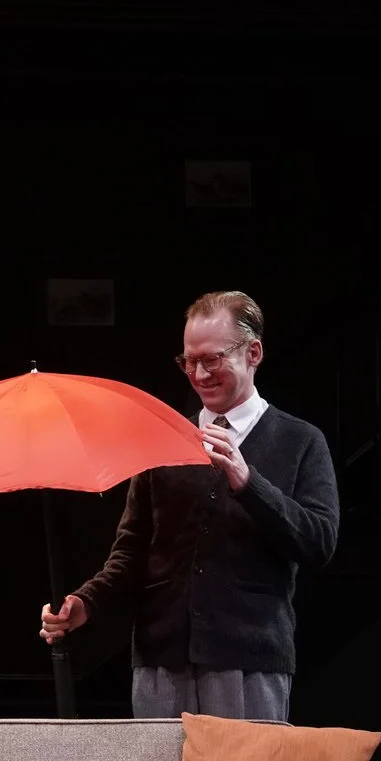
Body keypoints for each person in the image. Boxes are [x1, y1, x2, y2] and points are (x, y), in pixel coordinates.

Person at [38, 290, 339, 722]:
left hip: (247, 662)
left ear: (253, 353)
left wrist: (248, 481)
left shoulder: (300, 441)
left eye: (212, 360)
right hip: (162, 663)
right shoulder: (162, 442)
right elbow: (131, 554)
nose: (199, 374)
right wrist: (84, 603)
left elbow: (319, 542)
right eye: (188, 361)